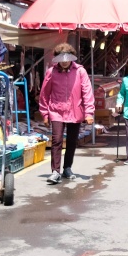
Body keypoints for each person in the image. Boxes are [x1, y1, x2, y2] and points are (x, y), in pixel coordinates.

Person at [40, 44, 95, 184]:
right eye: (61, 58)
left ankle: (67, 167)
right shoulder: (51, 72)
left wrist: (89, 113)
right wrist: (45, 113)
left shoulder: (80, 71)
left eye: (67, 58)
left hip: (75, 111)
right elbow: (44, 94)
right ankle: (55, 171)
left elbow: (87, 92)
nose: (64, 61)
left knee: (71, 141)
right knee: (57, 140)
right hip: (56, 111)